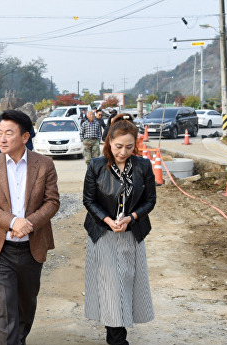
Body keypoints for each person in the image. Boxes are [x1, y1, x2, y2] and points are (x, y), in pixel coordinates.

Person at [0, 110, 60, 345]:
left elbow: (52, 202)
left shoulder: (44, 165)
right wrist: (14, 222)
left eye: (9, 133)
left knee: (26, 305)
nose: (2, 139)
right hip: (0, 249)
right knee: (5, 307)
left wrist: (28, 224)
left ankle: (17, 340)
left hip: (31, 248)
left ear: (24, 137)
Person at [82, 113, 156, 345]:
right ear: (109, 143)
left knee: (128, 282)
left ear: (136, 145)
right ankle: (116, 339)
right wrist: (107, 220)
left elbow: (150, 200)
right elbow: (88, 200)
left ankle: (116, 334)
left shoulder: (143, 166)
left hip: (132, 233)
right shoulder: (96, 166)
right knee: (110, 287)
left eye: (129, 147)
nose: (123, 152)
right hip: (103, 234)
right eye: (118, 146)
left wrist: (131, 218)